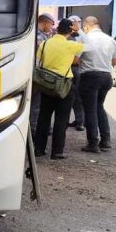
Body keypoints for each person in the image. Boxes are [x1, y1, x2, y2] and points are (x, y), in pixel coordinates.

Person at [33, 19, 84, 159]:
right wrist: (78, 30)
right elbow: (89, 45)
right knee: (62, 119)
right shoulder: (72, 45)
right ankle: (57, 151)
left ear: (57, 29)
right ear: (70, 30)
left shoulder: (45, 43)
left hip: (47, 85)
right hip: (64, 86)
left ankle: (38, 149)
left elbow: (38, 62)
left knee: (43, 117)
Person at [78, 16, 116, 153]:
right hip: (106, 78)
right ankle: (106, 141)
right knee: (99, 107)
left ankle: (93, 143)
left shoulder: (85, 39)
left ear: (87, 26)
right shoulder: (111, 39)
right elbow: (115, 62)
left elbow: (76, 60)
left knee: (90, 110)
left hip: (90, 77)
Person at [31, 13, 56, 133]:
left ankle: (37, 126)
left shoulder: (41, 35)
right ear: (45, 23)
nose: (51, 27)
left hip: (38, 73)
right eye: (51, 24)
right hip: (37, 73)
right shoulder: (38, 36)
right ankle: (34, 128)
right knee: (36, 103)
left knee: (38, 102)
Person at [67, 15, 85, 131]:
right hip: (71, 68)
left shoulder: (82, 36)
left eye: (75, 22)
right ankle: (78, 121)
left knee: (76, 96)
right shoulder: (70, 35)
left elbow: (78, 57)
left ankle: (80, 122)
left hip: (75, 68)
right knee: (70, 95)